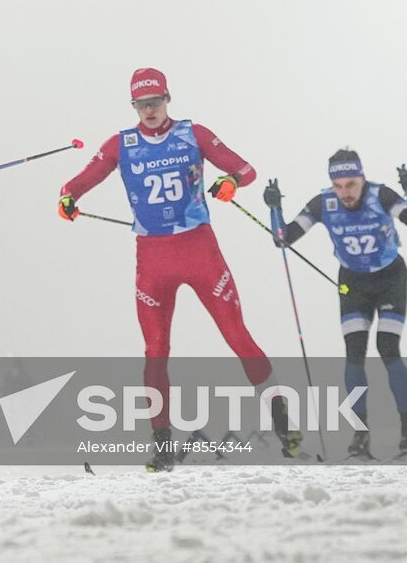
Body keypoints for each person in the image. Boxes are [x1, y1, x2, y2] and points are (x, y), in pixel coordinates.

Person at [58, 68, 301, 471]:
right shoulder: (122, 144)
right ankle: (162, 444)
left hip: (199, 251)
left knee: (237, 335)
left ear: (168, 99)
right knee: (155, 352)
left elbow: (245, 170)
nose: (150, 110)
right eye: (142, 104)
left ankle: (283, 424)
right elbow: (82, 181)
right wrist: (67, 197)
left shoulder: (193, 134)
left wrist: (229, 184)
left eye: (155, 102)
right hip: (153, 260)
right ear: (134, 106)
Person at [264, 150, 407, 458]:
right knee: (354, 354)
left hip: (390, 278)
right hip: (353, 282)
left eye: (352, 184)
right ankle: (360, 433)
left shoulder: (380, 195)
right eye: (339, 185)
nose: (346, 193)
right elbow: (282, 239)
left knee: (387, 347)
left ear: (362, 178)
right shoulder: (323, 203)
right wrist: (275, 207)